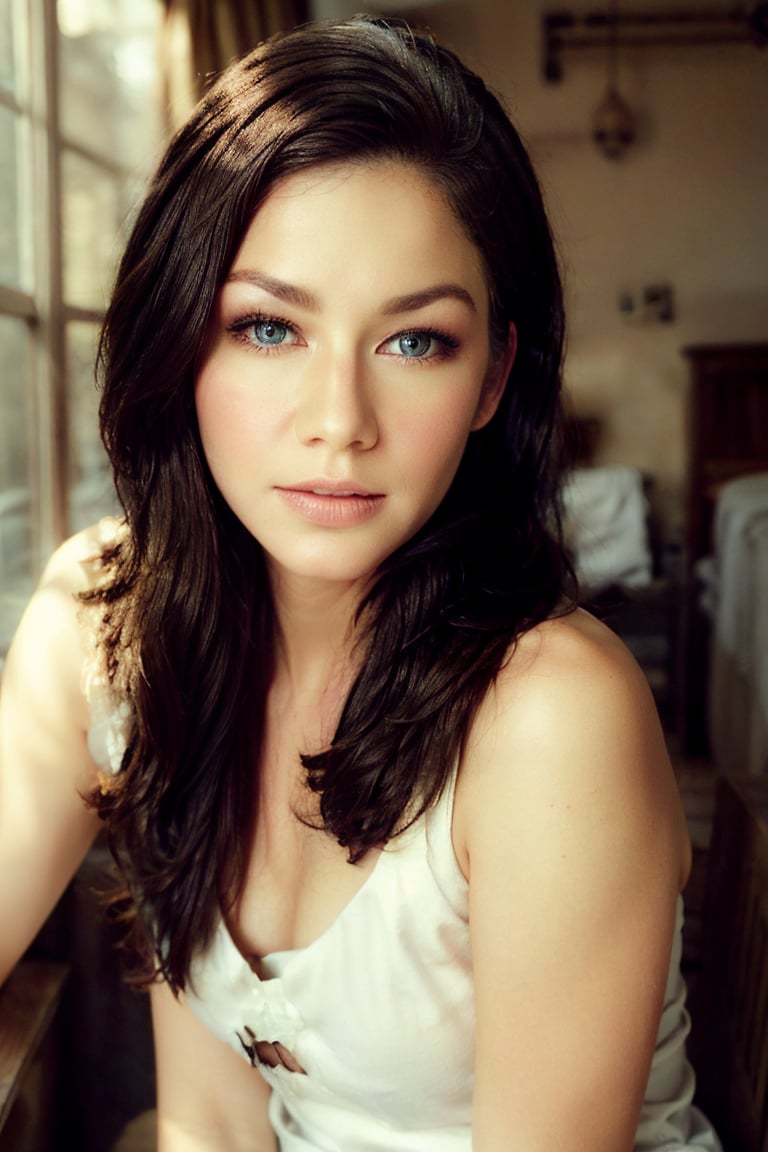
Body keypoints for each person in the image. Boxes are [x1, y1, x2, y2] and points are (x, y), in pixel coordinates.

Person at [0, 15, 720, 1152]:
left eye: (414, 342)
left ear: (493, 380)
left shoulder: (547, 717)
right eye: (268, 326)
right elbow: (218, 1126)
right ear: (180, 338)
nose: (339, 424)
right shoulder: (121, 630)